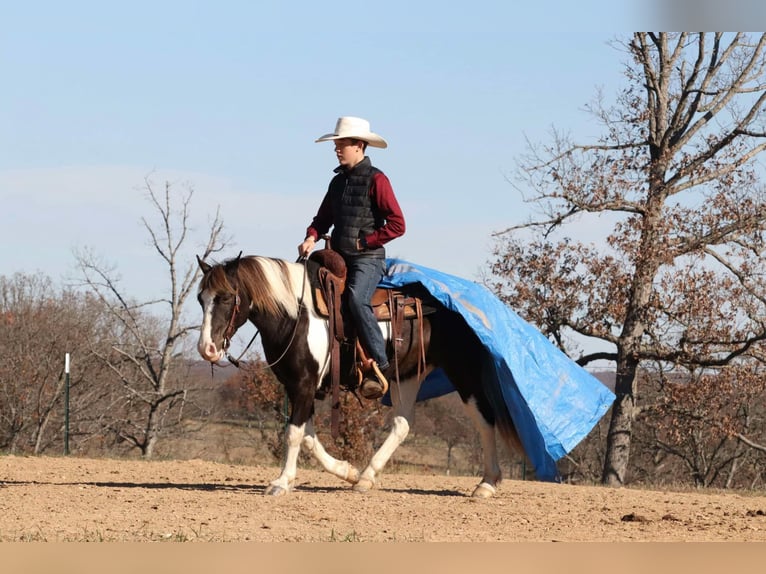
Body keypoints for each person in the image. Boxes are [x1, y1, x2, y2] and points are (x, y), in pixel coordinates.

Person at [298, 116, 405, 399]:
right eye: (336, 144)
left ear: (359, 146)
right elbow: (322, 219)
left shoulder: (377, 180)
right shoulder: (336, 183)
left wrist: (365, 241)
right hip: (339, 257)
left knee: (357, 299)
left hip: (368, 259)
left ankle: (379, 364)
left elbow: (398, 224)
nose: (337, 149)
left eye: (342, 144)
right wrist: (311, 237)